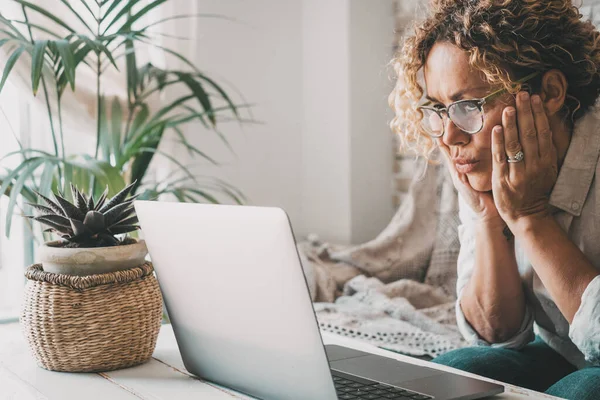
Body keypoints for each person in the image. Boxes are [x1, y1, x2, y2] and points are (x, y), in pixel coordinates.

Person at [389, 0, 600, 398]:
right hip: (560, 349)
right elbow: (495, 333)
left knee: (584, 388)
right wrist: (489, 219)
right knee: (457, 370)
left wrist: (530, 217)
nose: (449, 137)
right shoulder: (486, 162)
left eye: (468, 106)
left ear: (551, 92)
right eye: (438, 109)